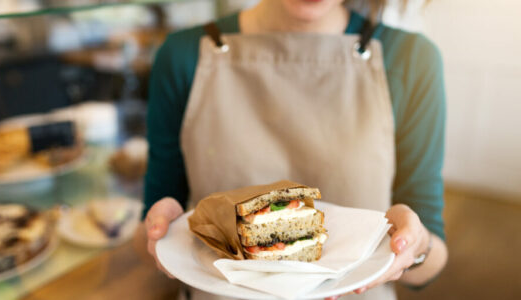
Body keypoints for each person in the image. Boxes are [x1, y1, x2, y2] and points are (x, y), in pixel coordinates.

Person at [134, 0, 449, 299]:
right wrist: (162, 234)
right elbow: (147, 234)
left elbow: (431, 261)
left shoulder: (411, 59)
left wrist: (416, 246)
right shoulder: (182, 56)